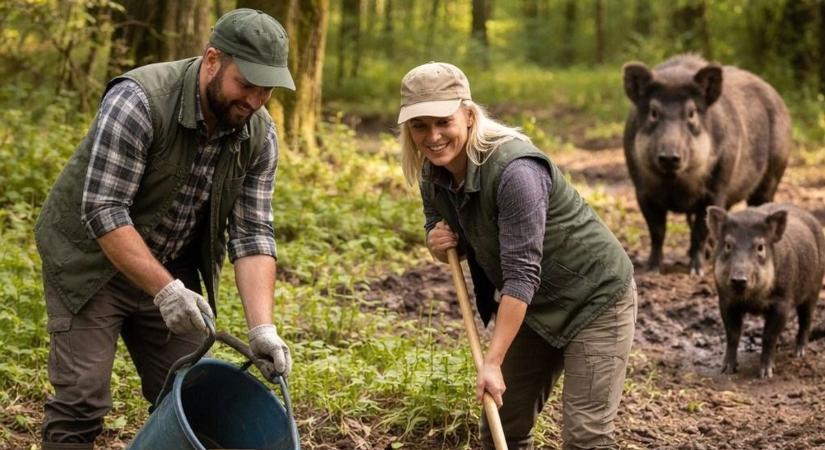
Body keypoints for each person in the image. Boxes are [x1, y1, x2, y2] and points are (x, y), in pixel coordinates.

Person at [34, 9, 295, 450]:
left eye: (266, 89)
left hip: (171, 264)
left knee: (194, 397)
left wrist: (262, 330)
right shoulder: (138, 100)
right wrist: (166, 291)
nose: (254, 99)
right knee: (81, 401)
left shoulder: (259, 135)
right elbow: (103, 209)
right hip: (90, 261)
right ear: (213, 60)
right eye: (246, 83)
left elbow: (252, 235)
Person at [397, 62, 637, 450]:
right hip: (532, 308)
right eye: (420, 125)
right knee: (500, 430)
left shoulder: (516, 171)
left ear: (469, 115)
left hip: (594, 300)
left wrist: (491, 362)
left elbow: (522, 274)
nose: (433, 136)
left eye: (443, 121)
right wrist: (435, 242)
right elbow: (441, 231)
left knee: (586, 439)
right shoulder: (433, 173)